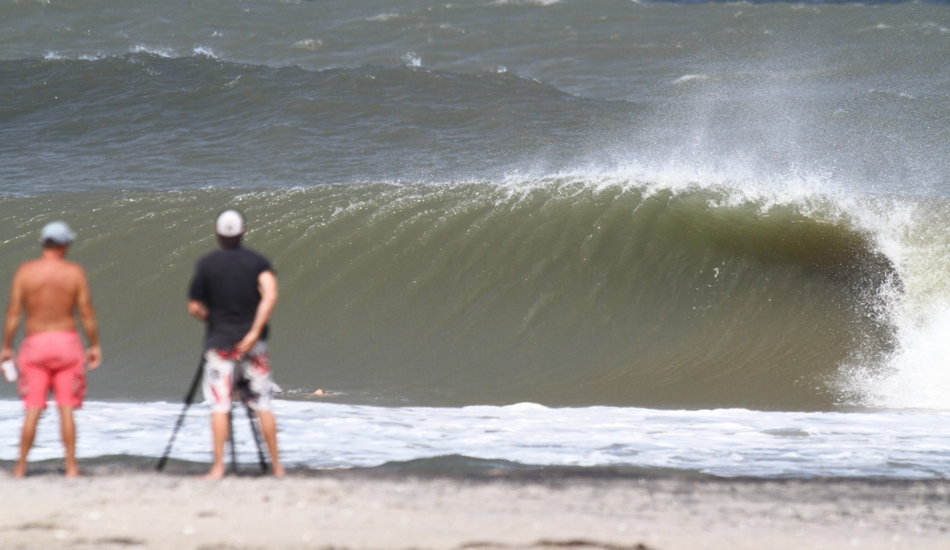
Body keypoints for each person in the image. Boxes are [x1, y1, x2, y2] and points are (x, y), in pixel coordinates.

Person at [187, 209, 285, 479]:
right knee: (263, 404)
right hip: (252, 346)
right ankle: (277, 468)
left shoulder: (207, 264)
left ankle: (218, 468)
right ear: (243, 232)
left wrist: (212, 318)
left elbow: (194, 307)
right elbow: (271, 294)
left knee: (220, 406)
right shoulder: (258, 262)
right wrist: (254, 332)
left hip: (220, 345)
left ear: (218, 235)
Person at [1, 221, 102, 478]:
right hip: (66, 344)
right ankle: (70, 467)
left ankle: (21, 467)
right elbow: (86, 312)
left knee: (33, 408)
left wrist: (7, 347)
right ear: (65, 244)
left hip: (35, 345)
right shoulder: (74, 272)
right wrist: (95, 344)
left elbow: (14, 312)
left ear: (43, 243)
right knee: (66, 407)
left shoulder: (25, 272)